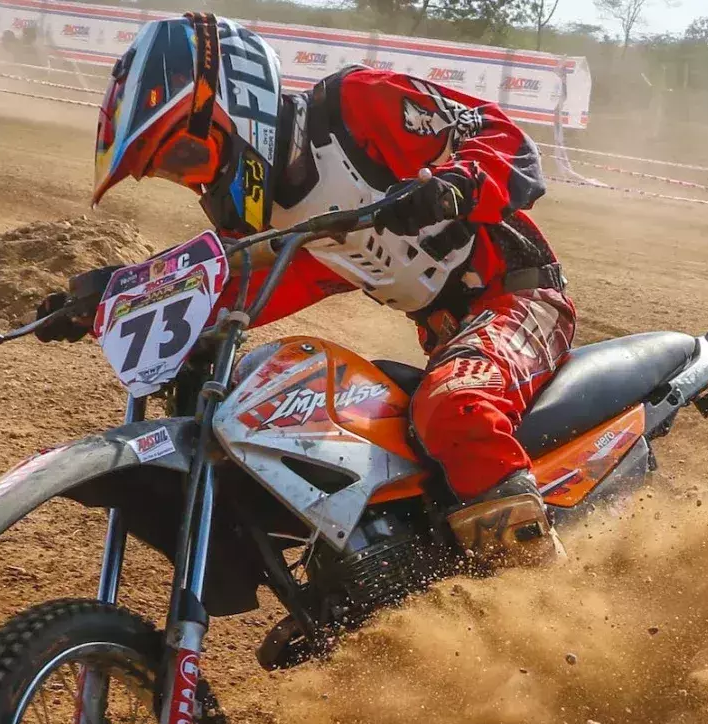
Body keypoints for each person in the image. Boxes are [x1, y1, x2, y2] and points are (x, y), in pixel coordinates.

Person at [50, 12, 573, 566]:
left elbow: (502, 138)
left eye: (187, 157)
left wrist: (455, 186)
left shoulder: (354, 106)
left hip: (522, 300)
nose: (193, 182)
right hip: (446, 338)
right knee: (320, 428)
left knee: (455, 405)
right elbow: (225, 284)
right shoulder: (272, 218)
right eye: (174, 174)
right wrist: (112, 300)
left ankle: (538, 588)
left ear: (235, 105)